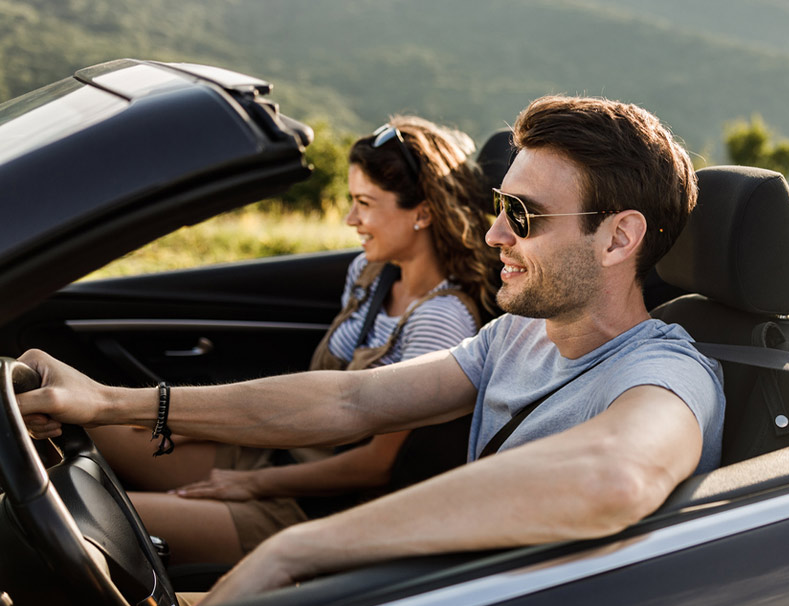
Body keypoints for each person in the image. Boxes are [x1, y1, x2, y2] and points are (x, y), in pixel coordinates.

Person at [17, 94, 724, 606]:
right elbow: (351, 399)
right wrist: (110, 402)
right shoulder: (518, 335)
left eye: (523, 217)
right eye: (498, 209)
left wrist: (298, 550)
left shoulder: (664, 372)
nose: (493, 237)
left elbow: (614, 479)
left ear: (618, 238)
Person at [85, 115, 501, 565]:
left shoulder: (440, 321)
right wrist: (192, 424)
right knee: (88, 426)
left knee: (89, 518)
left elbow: (374, 466)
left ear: (422, 212)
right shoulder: (369, 275)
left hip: (314, 504)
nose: (350, 219)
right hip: (276, 452)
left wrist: (249, 487)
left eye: (365, 202)